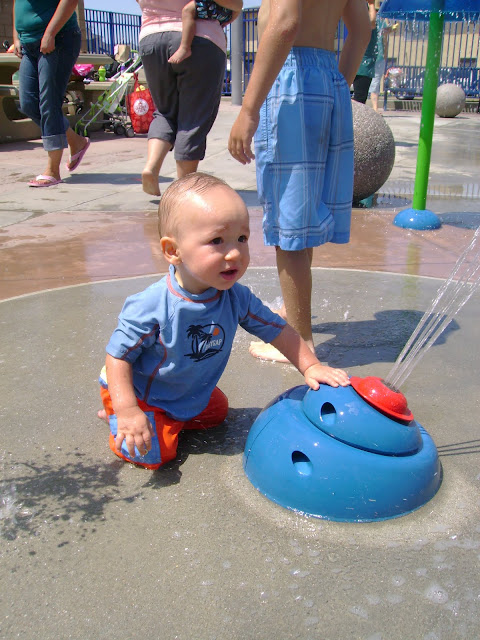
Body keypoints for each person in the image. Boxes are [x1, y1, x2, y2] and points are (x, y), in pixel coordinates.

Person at [98, 173, 350, 469]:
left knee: (218, 412)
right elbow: (118, 357)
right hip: (142, 392)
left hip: (185, 392)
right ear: (172, 251)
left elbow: (277, 329)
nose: (234, 253)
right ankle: (117, 410)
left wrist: (311, 365)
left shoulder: (235, 298)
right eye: (216, 241)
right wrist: (128, 409)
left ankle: (164, 419)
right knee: (158, 455)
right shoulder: (152, 306)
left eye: (242, 239)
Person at [228, 0, 372, 363]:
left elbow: (285, 23)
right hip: (325, 77)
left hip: (290, 78)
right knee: (301, 213)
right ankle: (297, 319)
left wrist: (248, 109)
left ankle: (301, 341)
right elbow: (361, 27)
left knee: (289, 223)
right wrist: (340, 81)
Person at [136, 0, 242, 197]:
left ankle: (151, 167)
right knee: (193, 118)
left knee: (165, 112)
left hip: (151, 38)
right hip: (200, 39)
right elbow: (235, 3)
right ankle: (183, 191)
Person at [12, 0, 91, 187]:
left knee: (49, 102)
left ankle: (52, 171)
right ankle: (76, 141)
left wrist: (50, 33)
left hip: (57, 39)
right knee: (28, 103)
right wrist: (16, 36)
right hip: (29, 44)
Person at [168, 0, 233, 65]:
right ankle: (223, 53)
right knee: (220, 27)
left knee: (187, 10)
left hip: (214, 6)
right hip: (226, 10)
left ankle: (185, 48)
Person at [352, 0, 378, 104]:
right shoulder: (364, 24)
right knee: (360, 98)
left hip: (364, 65)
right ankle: (355, 119)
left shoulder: (359, 22)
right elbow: (371, 22)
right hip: (362, 66)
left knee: (360, 97)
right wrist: (371, 4)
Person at [369, 16, 397, 113]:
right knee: (374, 83)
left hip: (377, 57)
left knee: (374, 82)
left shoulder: (380, 21)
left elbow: (385, 35)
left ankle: (375, 107)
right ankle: (374, 108)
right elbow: (385, 35)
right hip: (375, 56)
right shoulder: (377, 21)